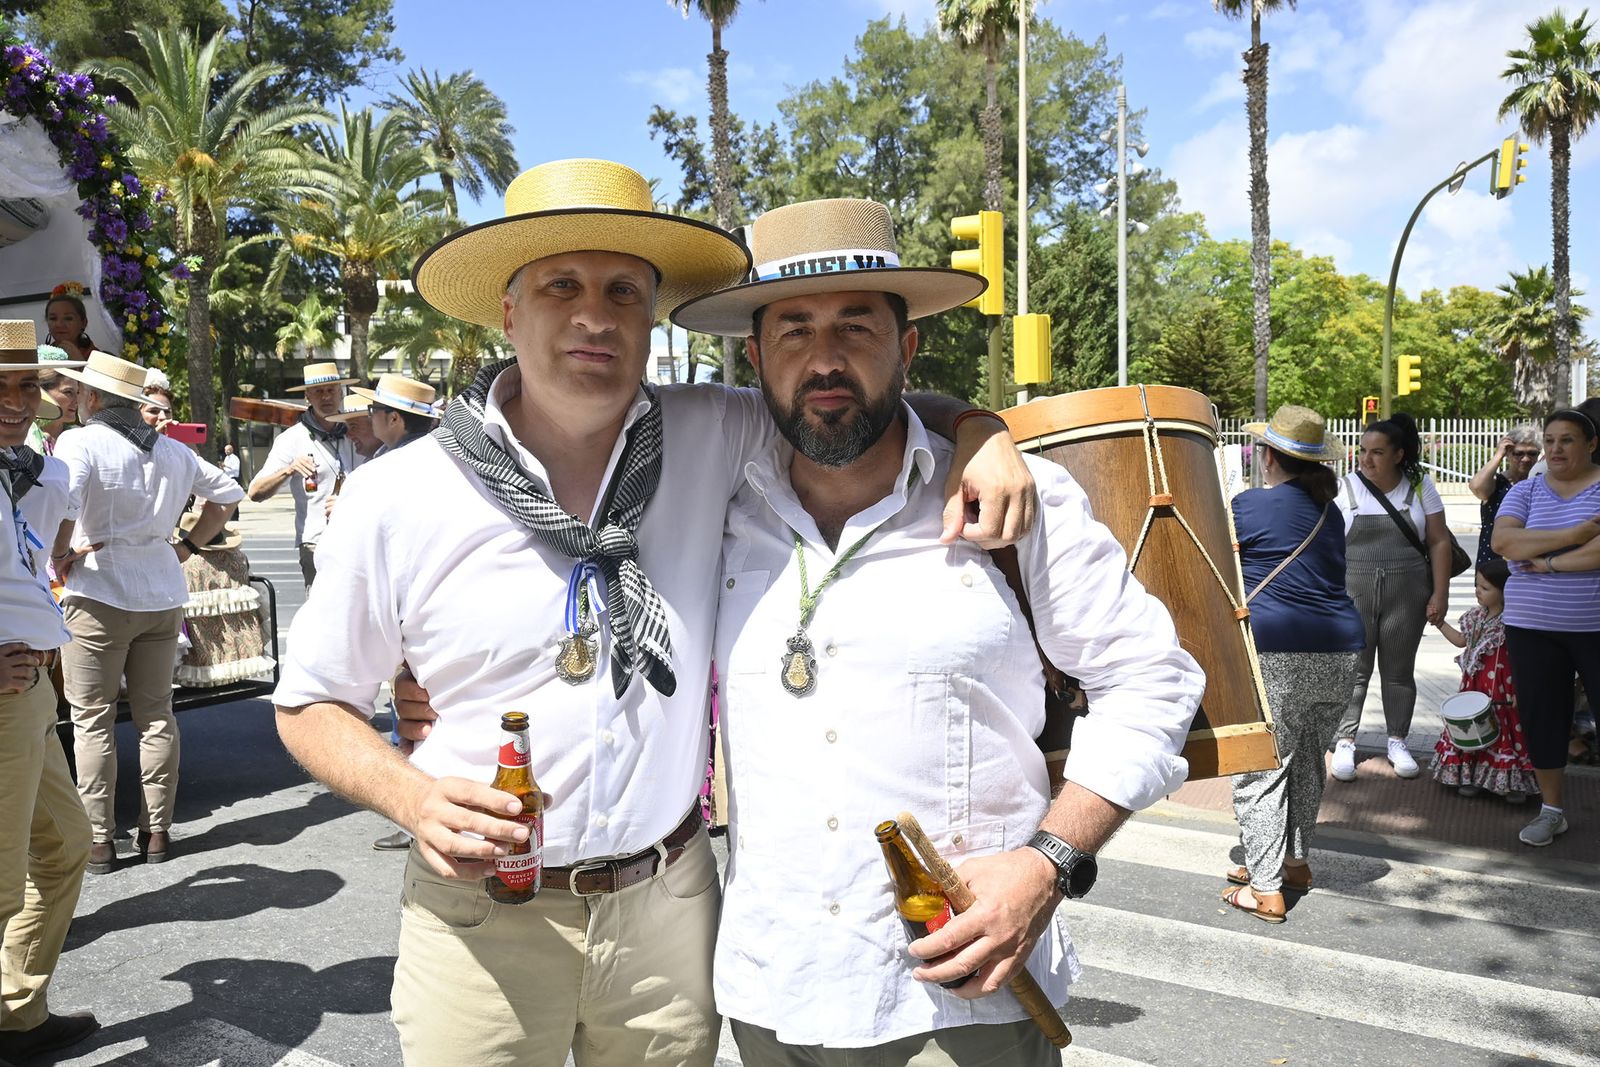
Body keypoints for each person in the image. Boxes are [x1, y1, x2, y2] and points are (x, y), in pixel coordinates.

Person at [273, 159, 1033, 1066]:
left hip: (668, 913)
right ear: (509, 312)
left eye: (624, 291)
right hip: (483, 918)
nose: (595, 314)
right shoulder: (401, 493)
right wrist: (414, 795)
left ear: (648, 315)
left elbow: (851, 394)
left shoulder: (713, 428)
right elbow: (308, 701)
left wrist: (985, 431)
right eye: (563, 285)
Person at [660, 197, 1201, 1062]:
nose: (825, 359)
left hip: (970, 1000)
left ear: (906, 349)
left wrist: (1047, 863)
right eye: (794, 331)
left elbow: (1155, 678)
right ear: (755, 358)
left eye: (857, 326)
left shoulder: (1016, 505)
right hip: (778, 992)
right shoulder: (715, 501)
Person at [51, 352, 244, 873]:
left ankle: (100, 841)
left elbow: (65, 506)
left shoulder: (80, 440)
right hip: (161, 589)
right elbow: (228, 493)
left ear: (92, 397)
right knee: (156, 716)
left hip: (99, 591)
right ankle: (156, 831)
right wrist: (186, 543)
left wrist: (59, 555)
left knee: (92, 719)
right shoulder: (172, 451)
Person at [1218, 406, 1362, 925]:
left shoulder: (1250, 505)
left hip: (1279, 649)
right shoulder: (1332, 511)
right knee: (1305, 760)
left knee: (1261, 766)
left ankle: (1265, 889)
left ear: (1267, 456)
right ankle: (1293, 863)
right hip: (1342, 649)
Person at [0, 323, 99, 1060]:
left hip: (30, 681)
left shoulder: (22, 469)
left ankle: (16, 1011)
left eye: (26, 385)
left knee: (65, 846)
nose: (14, 401)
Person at [1490, 407, 1600, 846]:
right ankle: (1552, 810)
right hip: (1532, 628)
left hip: (1592, 626)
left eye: (1567, 440)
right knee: (1543, 718)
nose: (1555, 449)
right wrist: (1576, 535)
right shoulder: (1527, 490)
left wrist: (1547, 563)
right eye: (1550, 440)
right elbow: (1504, 542)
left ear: (1591, 444)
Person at [1330, 413, 1451, 782]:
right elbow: (1329, 546)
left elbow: (1439, 540)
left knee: (1399, 673)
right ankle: (1345, 742)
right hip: (1355, 592)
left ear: (1398, 455)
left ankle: (1397, 740)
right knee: (1354, 671)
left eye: (1377, 452)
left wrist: (1440, 595)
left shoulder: (1419, 485)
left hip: (1408, 593)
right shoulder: (1346, 487)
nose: (1366, 459)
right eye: (1363, 451)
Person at [245, 361, 363, 587]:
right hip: (317, 544)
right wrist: (289, 470)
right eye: (319, 392)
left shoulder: (356, 431)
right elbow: (255, 492)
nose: (326, 397)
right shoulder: (291, 440)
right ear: (308, 396)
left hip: (359, 539)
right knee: (323, 615)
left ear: (341, 393)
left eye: (331, 390)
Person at [1427, 560, 1536, 802]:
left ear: (1504, 591)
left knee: (1503, 729)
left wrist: (1519, 688)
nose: (1478, 591)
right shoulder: (1475, 617)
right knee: (1473, 727)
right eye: (1477, 585)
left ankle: (1513, 783)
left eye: (1485, 588)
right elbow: (1460, 641)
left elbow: (1522, 658)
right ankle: (1471, 777)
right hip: (1475, 685)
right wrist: (1439, 623)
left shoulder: (1513, 622)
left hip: (1502, 688)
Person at [1469, 424, 1540, 566]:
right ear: (1508, 453)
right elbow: (1476, 487)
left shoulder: (1542, 483)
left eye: (1532, 453)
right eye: (1518, 453)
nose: (1525, 459)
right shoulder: (1497, 483)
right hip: (1493, 562)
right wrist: (1498, 455)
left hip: (1530, 563)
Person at [352, 374, 440, 456]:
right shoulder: (439, 454)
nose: (370, 417)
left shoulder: (388, 465)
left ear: (393, 419)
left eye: (374, 409)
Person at [25, 345, 81, 456]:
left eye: (77, 393)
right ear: (41, 392)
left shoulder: (80, 436)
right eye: (68, 392)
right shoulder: (20, 436)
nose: (77, 401)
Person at [43, 283, 97, 363]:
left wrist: (80, 363)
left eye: (68, 318)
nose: (59, 324)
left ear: (83, 322)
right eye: (53, 318)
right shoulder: (40, 358)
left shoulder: (100, 359)